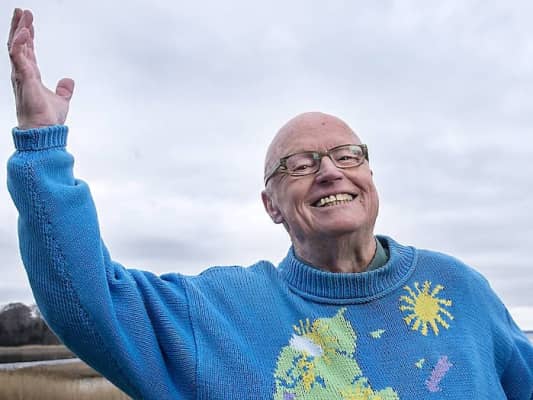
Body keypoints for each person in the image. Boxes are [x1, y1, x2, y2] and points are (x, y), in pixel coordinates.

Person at [6, 8, 533, 400]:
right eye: (299, 165)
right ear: (271, 206)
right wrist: (42, 146)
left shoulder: (459, 289)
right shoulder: (219, 313)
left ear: (370, 177)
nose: (330, 171)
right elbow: (89, 301)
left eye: (347, 155)